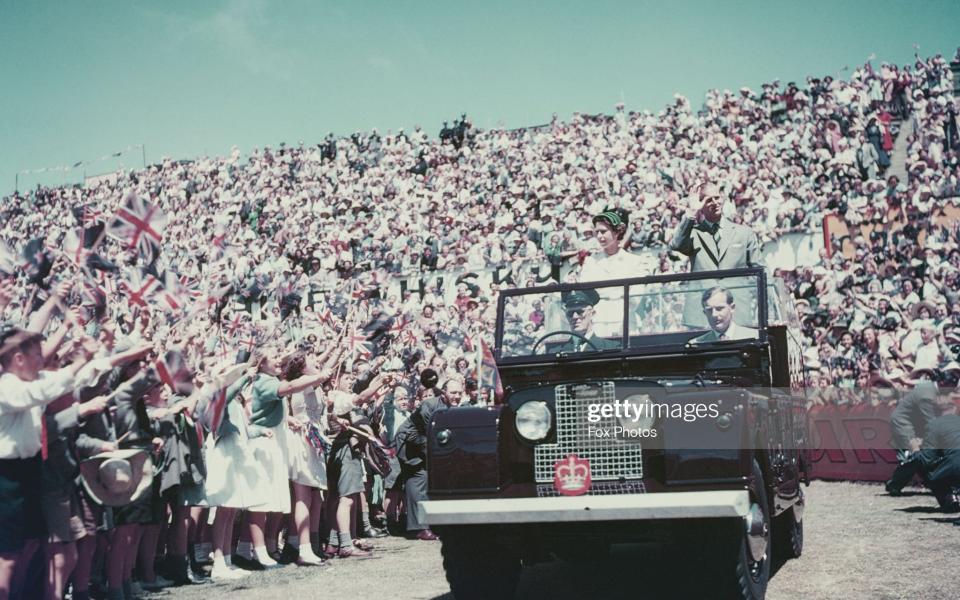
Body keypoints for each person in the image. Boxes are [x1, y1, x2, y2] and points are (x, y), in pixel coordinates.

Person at [885, 389, 960, 511]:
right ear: (955, 408)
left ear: (935, 411)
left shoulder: (934, 425)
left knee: (925, 467)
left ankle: (950, 500)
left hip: (956, 466)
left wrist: (915, 448)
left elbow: (927, 459)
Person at [669, 183, 763, 272]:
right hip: (705, 289)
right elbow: (676, 245)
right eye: (709, 200)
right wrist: (691, 213)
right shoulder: (693, 233)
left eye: (717, 198)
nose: (715, 202)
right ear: (700, 204)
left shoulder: (744, 233)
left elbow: (761, 269)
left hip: (736, 288)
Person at [579, 208, 648, 282]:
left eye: (603, 231)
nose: (599, 236)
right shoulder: (590, 262)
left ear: (616, 232)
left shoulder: (635, 261)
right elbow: (584, 289)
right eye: (597, 232)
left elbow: (637, 291)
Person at [551, 289, 621, 352]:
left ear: (592, 313)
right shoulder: (555, 353)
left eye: (580, 312)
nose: (574, 317)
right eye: (570, 313)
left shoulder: (610, 348)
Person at [690, 287, 759, 344]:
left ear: (732, 308)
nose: (714, 314)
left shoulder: (755, 338)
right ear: (704, 313)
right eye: (709, 310)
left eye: (719, 308)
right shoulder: (697, 344)